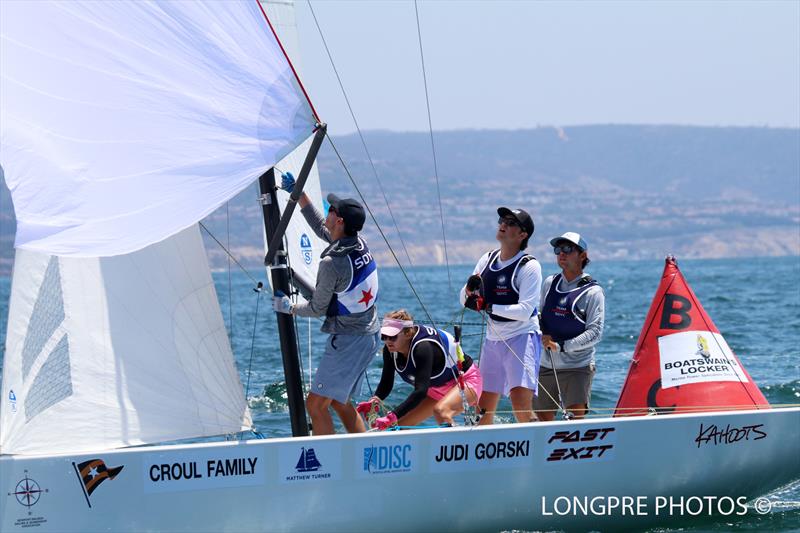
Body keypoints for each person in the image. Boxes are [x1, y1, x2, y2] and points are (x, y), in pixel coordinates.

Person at [273, 172, 380, 435]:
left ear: (340, 221)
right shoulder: (358, 242)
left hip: (350, 340)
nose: (327, 211)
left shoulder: (332, 263)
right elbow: (324, 228)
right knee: (340, 403)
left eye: (331, 209)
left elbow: (318, 308)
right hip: (368, 334)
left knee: (316, 406)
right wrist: (299, 195)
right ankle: (364, 454)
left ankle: (326, 466)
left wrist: (289, 308)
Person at [460, 207, 542, 425]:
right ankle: (482, 450)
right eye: (501, 220)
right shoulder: (486, 260)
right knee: (482, 405)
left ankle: (537, 449)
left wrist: (488, 306)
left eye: (510, 222)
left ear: (523, 234)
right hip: (493, 340)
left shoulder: (529, 266)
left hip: (522, 337)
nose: (502, 225)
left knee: (520, 404)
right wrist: (470, 295)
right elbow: (463, 298)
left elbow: (525, 311)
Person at [358, 310, 483, 430]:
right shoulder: (390, 350)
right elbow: (387, 382)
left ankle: (455, 449)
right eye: (384, 336)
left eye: (392, 336)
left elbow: (421, 391)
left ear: (407, 334)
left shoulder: (422, 348)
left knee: (441, 411)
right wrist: (375, 399)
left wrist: (393, 415)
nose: (387, 341)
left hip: (465, 381)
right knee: (399, 427)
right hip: (436, 389)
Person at [534, 232, 605, 421]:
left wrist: (562, 346)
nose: (561, 254)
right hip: (546, 365)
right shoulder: (549, 283)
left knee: (574, 422)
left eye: (567, 249)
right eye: (558, 249)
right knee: (541, 421)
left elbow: (595, 333)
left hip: (577, 367)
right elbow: (541, 316)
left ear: (583, 256)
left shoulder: (593, 292)